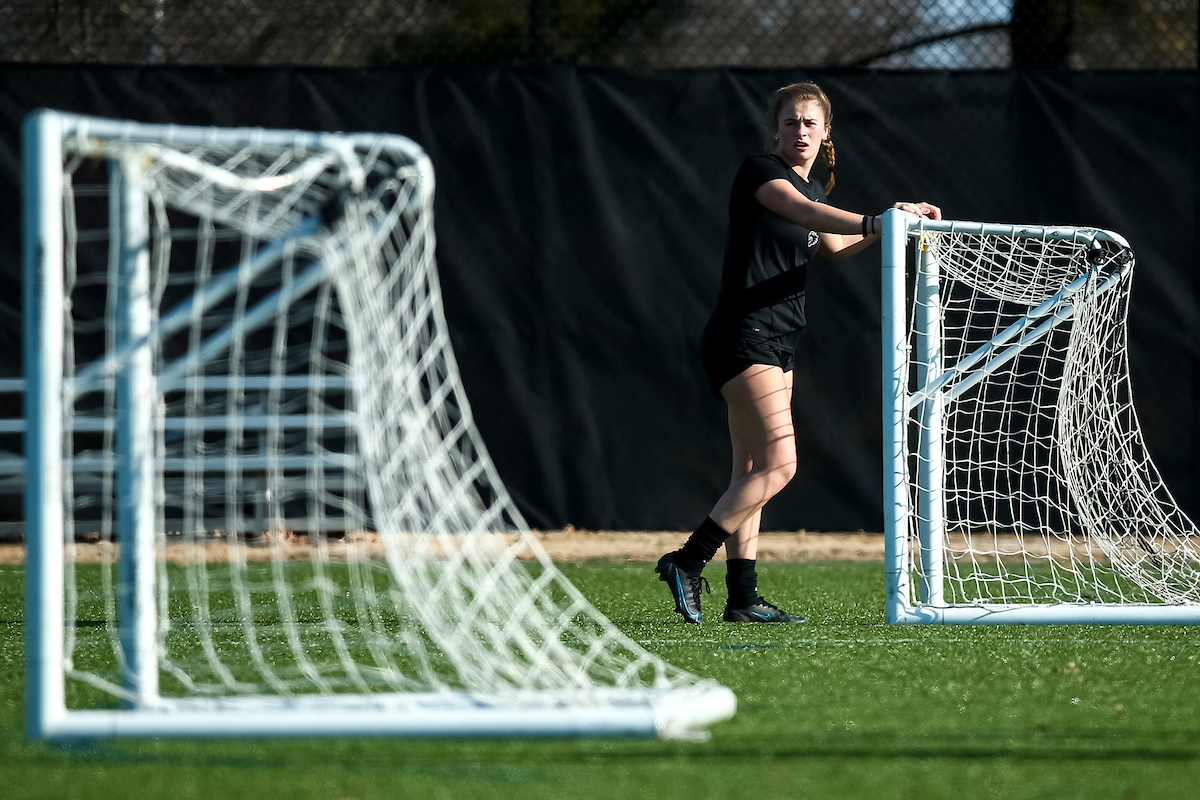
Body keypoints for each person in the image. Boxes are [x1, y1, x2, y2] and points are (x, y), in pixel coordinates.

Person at [657, 81, 941, 624]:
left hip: (780, 340)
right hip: (744, 336)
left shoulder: (817, 193)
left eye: (811, 123)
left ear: (826, 132)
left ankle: (742, 596)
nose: (801, 132)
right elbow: (805, 214)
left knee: (751, 469)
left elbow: (836, 243)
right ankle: (687, 561)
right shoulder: (761, 172)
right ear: (776, 130)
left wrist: (894, 220)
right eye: (791, 122)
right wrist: (876, 220)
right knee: (781, 465)